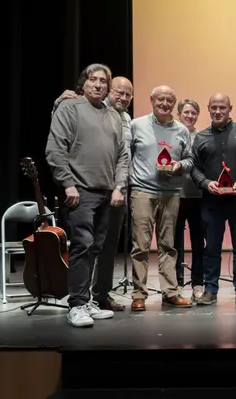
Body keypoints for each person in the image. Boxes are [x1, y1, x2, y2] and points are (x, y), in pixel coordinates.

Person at [45, 63, 127, 327]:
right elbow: (55, 148)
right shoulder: (70, 107)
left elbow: (122, 155)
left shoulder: (113, 115)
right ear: (84, 82)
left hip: (106, 192)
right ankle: (77, 305)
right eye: (94, 79)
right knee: (82, 246)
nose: (99, 84)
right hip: (80, 190)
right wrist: (67, 184)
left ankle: (86, 299)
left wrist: (118, 186)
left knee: (95, 247)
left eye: (104, 81)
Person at [189, 93, 236, 307]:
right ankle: (210, 289)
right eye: (214, 108)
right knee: (211, 247)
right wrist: (205, 183)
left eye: (222, 107)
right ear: (209, 108)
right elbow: (193, 167)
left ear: (230, 108)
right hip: (212, 203)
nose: (218, 111)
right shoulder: (201, 137)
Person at [129, 85, 194, 311]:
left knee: (168, 245)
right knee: (141, 246)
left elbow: (189, 160)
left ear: (174, 104)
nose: (165, 104)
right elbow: (125, 156)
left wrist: (179, 165)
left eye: (169, 100)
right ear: (152, 100)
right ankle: (139, 294)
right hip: (142, 192)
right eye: (161, 99)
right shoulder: (136, 125)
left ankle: (170, 293)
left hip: (171, 193)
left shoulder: (182, 130)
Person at [174, 99, 205, 302]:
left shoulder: (202, 137)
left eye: (194, 112)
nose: (190, 116)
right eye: (186, 112)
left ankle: (197, 283)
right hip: (175, 195)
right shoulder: (172, 133)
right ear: (179, 113)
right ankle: (175, 283)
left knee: (197, 242)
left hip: (197, 196)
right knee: (174, 243)